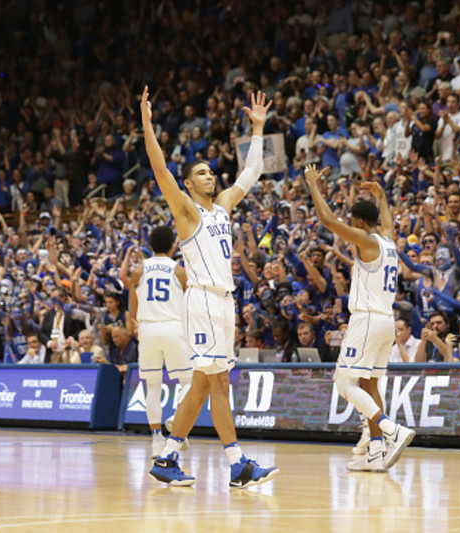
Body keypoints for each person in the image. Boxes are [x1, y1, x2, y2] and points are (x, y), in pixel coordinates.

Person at [142, 87, 278, 488]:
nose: (210, 175)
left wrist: (258, 130)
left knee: (203, 384)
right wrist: (148, 126)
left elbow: (251, 173)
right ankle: (237, 465)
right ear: (188, 183)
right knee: (216, 381)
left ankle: (167, 458)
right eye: (201, 172)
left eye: (211, 171)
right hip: (201, 300)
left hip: (224, 303)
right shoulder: (185, 210)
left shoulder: (223, 206)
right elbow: (160, 169)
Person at [303, 163, 414, 473]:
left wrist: (313, 184)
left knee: (343, 382)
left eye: (352, 222)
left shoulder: (367, 241)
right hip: (385, 322)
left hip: (365, 320)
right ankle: (376, 452)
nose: (349, 227)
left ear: (359, 223)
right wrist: (383, 199)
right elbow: (389, 224)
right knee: (369, 384)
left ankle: (391, 430)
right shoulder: (389, 242)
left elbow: (326, 219)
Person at [128, 225, 193, 458]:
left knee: (153, 386)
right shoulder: (180, 271)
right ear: (173, 246)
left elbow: (133, 310)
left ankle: (156, 440)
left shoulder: (138, 271)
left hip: (147, 328)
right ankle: (177, 420)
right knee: (189, 380)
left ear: (150, 245)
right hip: (174, 327)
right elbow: (191, 304)